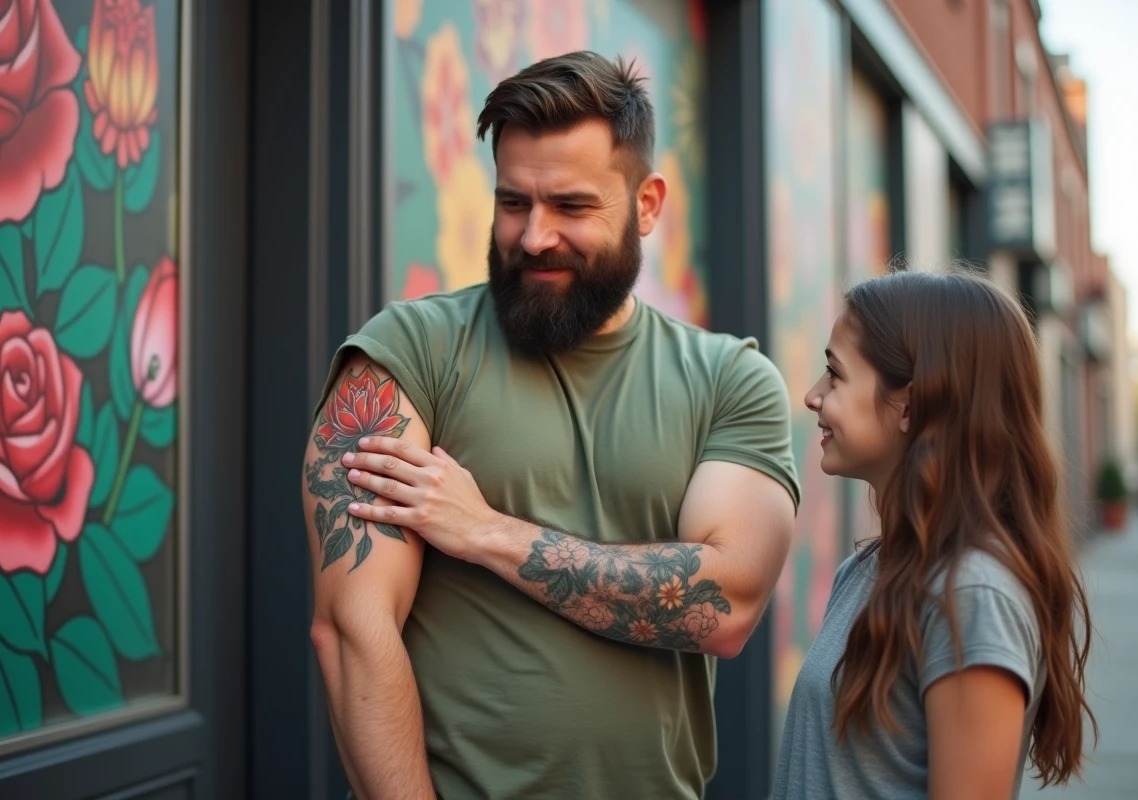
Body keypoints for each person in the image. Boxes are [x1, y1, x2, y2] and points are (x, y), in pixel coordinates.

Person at [301, 51, 800, 800]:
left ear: (647, 204)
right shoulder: (405, 356)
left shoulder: (730, 380)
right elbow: (350, 631)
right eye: (513, 203)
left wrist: (487, 532)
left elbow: (724, 606)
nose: (534, 237)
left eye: (570, 207)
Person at [773, 269, 1095, 799]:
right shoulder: (869, 567)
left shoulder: (971, 594)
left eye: (834, 374)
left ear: (913, 404)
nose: (812, 395)